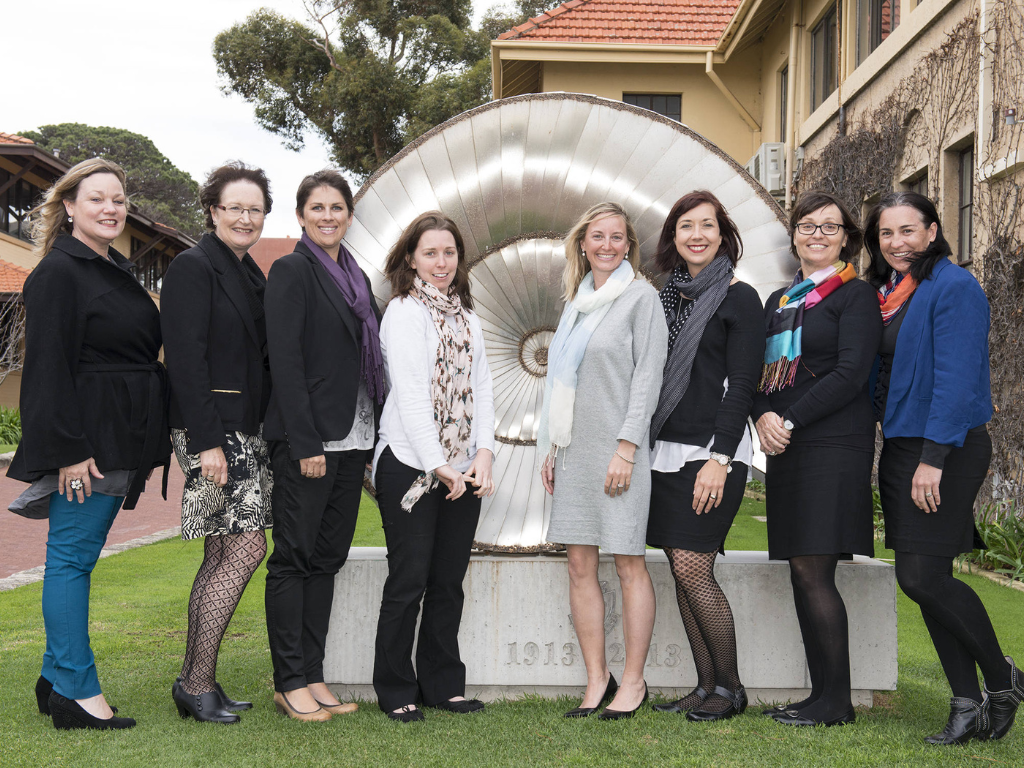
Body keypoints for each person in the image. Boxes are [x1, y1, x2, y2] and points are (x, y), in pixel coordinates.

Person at [8, 158, 170, 730]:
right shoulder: (58, 274)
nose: (110, 208)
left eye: (119, 200)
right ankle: (77, 691)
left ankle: (55, 679)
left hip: (118, 434)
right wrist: (70, 451)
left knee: (77, 559)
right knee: (71, 560)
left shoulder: (111, 270)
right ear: (69, 207)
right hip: (88, 442)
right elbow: (46, 370)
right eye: (96, 198)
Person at [865, 191, 1023, 744]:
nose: (896, 243)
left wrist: (932, 460)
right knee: (929, 582)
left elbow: (956, 381)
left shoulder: (954, 287)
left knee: (921, 576)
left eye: (908, 231)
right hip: (903, 447)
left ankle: (1003, 681)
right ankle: (967, 703)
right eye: (887, 233)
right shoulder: (888, 294)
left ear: (933, 231)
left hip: (944, 450)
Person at [751, 191, 882, 728]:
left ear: (846, 237)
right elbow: (760, 375)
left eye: (830, 227)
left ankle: (837, 701)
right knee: (801, 571)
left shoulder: (856, 298)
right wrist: (762, 416)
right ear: (795, 235)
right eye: (808, 226)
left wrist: (788, 419)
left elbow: (851, 375)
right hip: (787, 444)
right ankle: (820, 695)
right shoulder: (780, 301)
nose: (818, 234)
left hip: (832, 443)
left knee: (814, 569)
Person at [539, 201, 668, 720]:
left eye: (618, 238)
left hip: (620, 454)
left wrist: (627, 448)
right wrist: (551, 446)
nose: (608, 246)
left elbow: (648, 379)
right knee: (579, 565)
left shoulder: (642, 298)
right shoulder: (576, 301)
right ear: (583, 244)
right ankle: (597, 680)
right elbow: (557, 383)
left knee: (629, 564)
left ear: (628, 245)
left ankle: (632, 683)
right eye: (598, 237)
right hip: (573, 450)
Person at [262, 170, 383, 721]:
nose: (328, 216)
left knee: (327, 560)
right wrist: (305, 440)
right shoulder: (291, 270)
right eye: (318, 208)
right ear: (302, 216)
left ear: (349, 216)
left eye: (337, 207)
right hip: (309, 441)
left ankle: (313, 673)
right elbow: (284, 362)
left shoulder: (355, 276)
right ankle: (289, 680)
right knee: (293, 559)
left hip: (354, 438)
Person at [161, 162, 274, 724]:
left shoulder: (249, 271)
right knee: (247, 547)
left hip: (241, 429)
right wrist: (208, 443)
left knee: (223, 550)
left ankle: (197, 681)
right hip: (213, 431)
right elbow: (183, 356)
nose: (245, 218)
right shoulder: (193, 266)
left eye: (255, 209)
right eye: (235, 208)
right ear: (212, 211)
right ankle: (195, 681)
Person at [371, 211, 495, 722]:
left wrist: (483, 454)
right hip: (410, 465)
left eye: (449, 253)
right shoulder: (403, 312)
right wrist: (440, 465)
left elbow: (483, 389)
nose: (441, 262)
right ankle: (395, 687)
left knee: (448, 581)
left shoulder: (468, 317)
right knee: (408, 581)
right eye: (430, 253)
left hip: (462, 469)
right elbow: (414, 398)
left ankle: (443, 685)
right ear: (411, 258)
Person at [646, 191, 763, 722]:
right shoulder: (667, 295)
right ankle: (705, 684)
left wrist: (719, 457)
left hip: (711, 452)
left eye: (707, 225)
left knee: (695, 568)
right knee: (680, 568)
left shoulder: (740, 297)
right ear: (674, 236)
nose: (697, 235)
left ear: (723, 233)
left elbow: (742, 383)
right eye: (686, 226)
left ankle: (731, 688)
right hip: (664, 448)